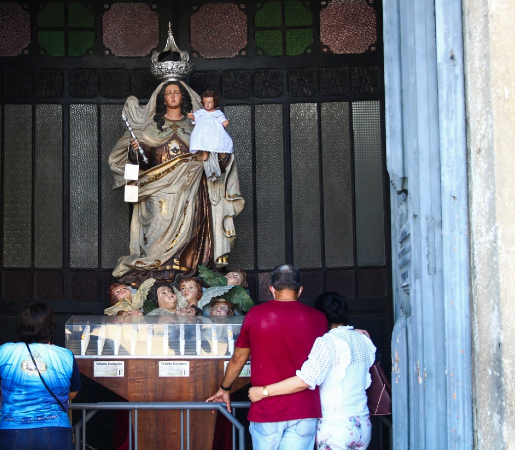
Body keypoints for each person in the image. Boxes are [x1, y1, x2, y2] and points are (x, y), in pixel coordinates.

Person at [108, 77, 244, 285]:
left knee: (193, 226)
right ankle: (157, 268)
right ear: (162, 98)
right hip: (158, 189)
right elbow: (140, 164)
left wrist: (220, 154)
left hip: (191, 188)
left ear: (183, 97)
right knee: (157, 225)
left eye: (176, 92)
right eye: (168, 93)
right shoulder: (151, 128)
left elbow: (217, 152)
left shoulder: (197, 125)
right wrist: (137, 151)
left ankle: (187, 270)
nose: (172, 96)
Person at [206, 264, 327, 450]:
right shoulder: (319, 318)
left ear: (271, 289)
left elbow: (239, 359)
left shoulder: (256, 315)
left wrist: (225, 388)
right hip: (304, 409)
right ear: (300, 290)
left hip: (267, 409)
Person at [248, 292, 376, 450]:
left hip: (336, 426)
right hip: (362, 422)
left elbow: (305, 380)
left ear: (321, 316)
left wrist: (263, 392)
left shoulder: (327, 342)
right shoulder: (363, 339)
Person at [0, 303, 80, 449]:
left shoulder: (5, 351)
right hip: (55, 431)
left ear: (21, 326)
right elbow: (73, 393)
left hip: (12, 430)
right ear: (51, 326)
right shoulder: (65, 355)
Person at [186, 90, 233, 182]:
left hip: (214, 132)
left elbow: (222, 121)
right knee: (202, 140)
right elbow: (194, 118)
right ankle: (205, 152)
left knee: (219, 140)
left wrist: (225, 123)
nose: (207, 105)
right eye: (205, 103)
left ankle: (220, 153)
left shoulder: (218, 113)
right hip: (203, 131)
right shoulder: (200, 112)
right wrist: (191, 116)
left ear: (214, 102)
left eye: (210, 102)